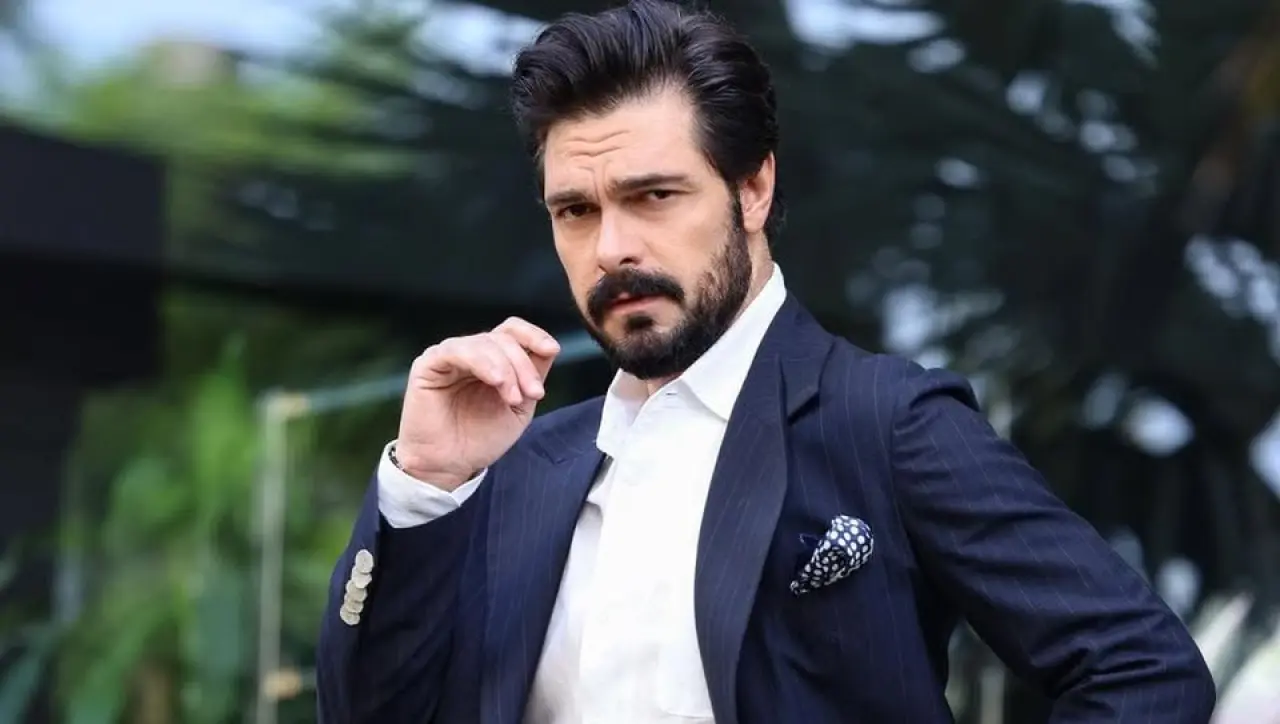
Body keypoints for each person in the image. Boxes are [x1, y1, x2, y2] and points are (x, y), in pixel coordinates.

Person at [316, 1, 1216, 722]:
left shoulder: (883, 423)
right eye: (576, 211)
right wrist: (425, 485)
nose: (612, 247)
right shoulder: (525, 466)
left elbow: (1141, 671)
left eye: (653, 195)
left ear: (753, 189)